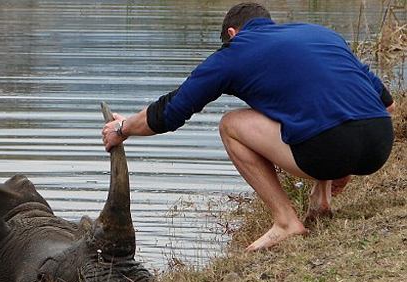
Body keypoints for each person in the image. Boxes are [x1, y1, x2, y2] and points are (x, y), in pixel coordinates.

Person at [101, 2, 395, 252]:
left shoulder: (233, 53)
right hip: (379, 144)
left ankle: (286, 222)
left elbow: (171, 112)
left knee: (231, 124)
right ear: (269, 23)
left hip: (326, 150)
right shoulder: (321, 34)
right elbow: (387, 104)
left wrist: (122, 128)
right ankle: (322, 198)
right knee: (302, 103)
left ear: (232, 34)